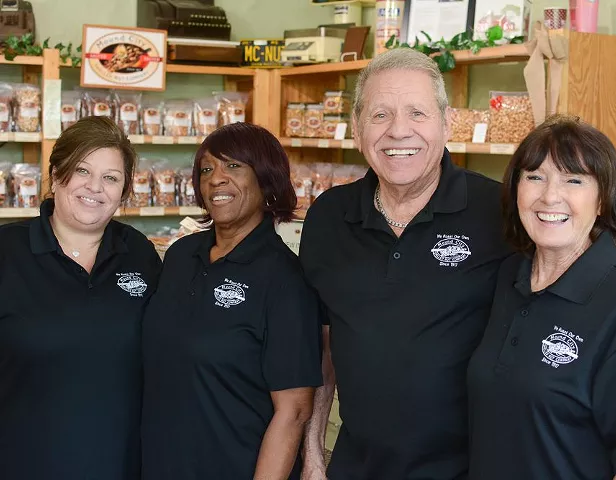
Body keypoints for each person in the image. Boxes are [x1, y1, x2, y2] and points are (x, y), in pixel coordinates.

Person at [299, 48, 511, 479]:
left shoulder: (499, 212)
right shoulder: (328, 216)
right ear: (358, 128)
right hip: (356, 466)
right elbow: (322, 350)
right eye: (380, 115)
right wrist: (314, 455)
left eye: (417, 113)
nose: (399, 131)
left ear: (445, 123)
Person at [141, 122, 323, 480]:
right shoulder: (180, 256)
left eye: (233, 166)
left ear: (266, 178)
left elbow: (294, 412)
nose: (216, 179)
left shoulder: (284, 279)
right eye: (206, 169)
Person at [467, 115, 616, 480]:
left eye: (573, 180)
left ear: (603, 200)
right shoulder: (506, 278)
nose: (549, 196)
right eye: (535, 177)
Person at [0, 116, 162, 479]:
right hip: (22, 463)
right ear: (57, 175)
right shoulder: (7, 252)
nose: (95, 188)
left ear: (123, 191)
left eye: (111, 178)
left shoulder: (139, 252)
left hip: (122, 464)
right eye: (82, 171)